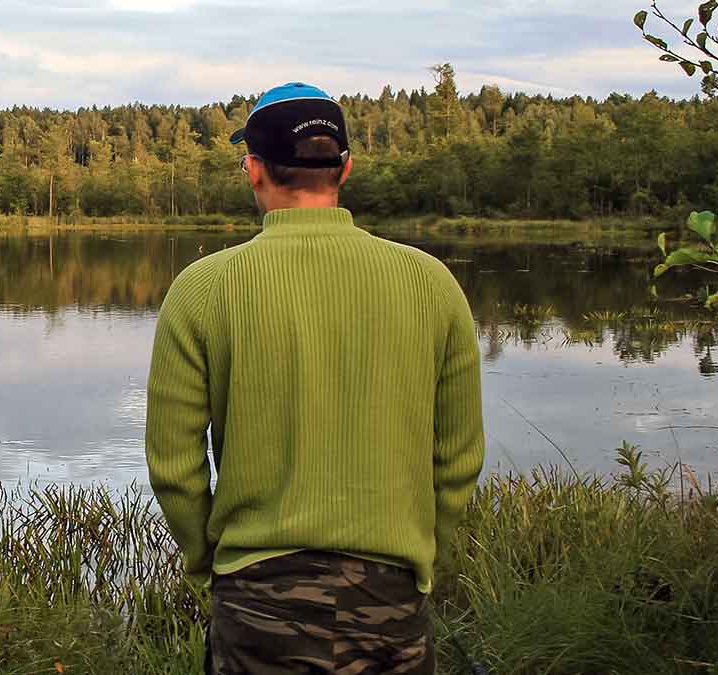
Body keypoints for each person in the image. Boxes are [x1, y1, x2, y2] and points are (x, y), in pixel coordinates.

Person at [145, 82, 485, 674]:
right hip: (392, 593)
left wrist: (210, 564)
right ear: (345, 168)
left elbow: (174, 466)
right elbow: (458, 459)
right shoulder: (432, 283)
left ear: (253, 170)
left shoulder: (200, 289)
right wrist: (424, 554)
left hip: (255, 597)